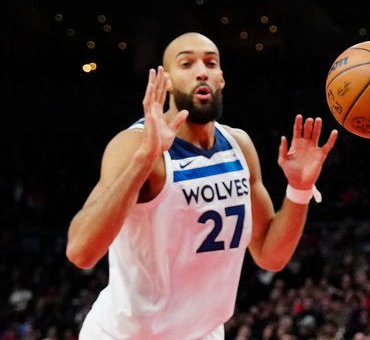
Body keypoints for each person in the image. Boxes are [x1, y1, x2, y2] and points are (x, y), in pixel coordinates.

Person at [66, 32, 338, 340]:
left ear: (221, 79)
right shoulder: (135, 145)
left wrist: (299, 189)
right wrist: (143, 160)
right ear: (166, 81)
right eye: (186, 63)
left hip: (203, 333)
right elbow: (81, 253)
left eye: (210, 63)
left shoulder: (239, 146)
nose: (201, 70)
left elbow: (269, 256)